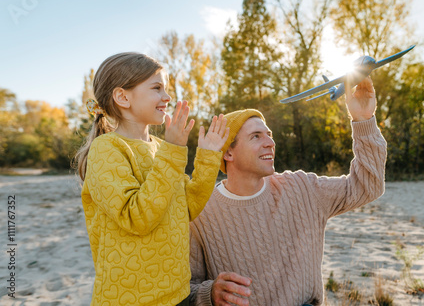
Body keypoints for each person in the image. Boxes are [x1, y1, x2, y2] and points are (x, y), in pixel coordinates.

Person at [189, 76, 387, 306]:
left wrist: (363, 120)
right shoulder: (200, 210)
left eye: (269, 135)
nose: (270, 143)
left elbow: (368, 186)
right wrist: (209, 294)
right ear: (228, 154)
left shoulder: (301, 188)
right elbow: (186, 288)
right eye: (256, 136)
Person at [75, 52, 229, 306]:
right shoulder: (107, 149)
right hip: (131, 300)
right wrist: (173, 150)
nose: (167, 97)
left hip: (176, 294)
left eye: (166, 89)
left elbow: (186, 208)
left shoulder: (161, 148)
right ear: (123, 97)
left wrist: (208, 158)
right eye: (157, 88)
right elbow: (137, 218)